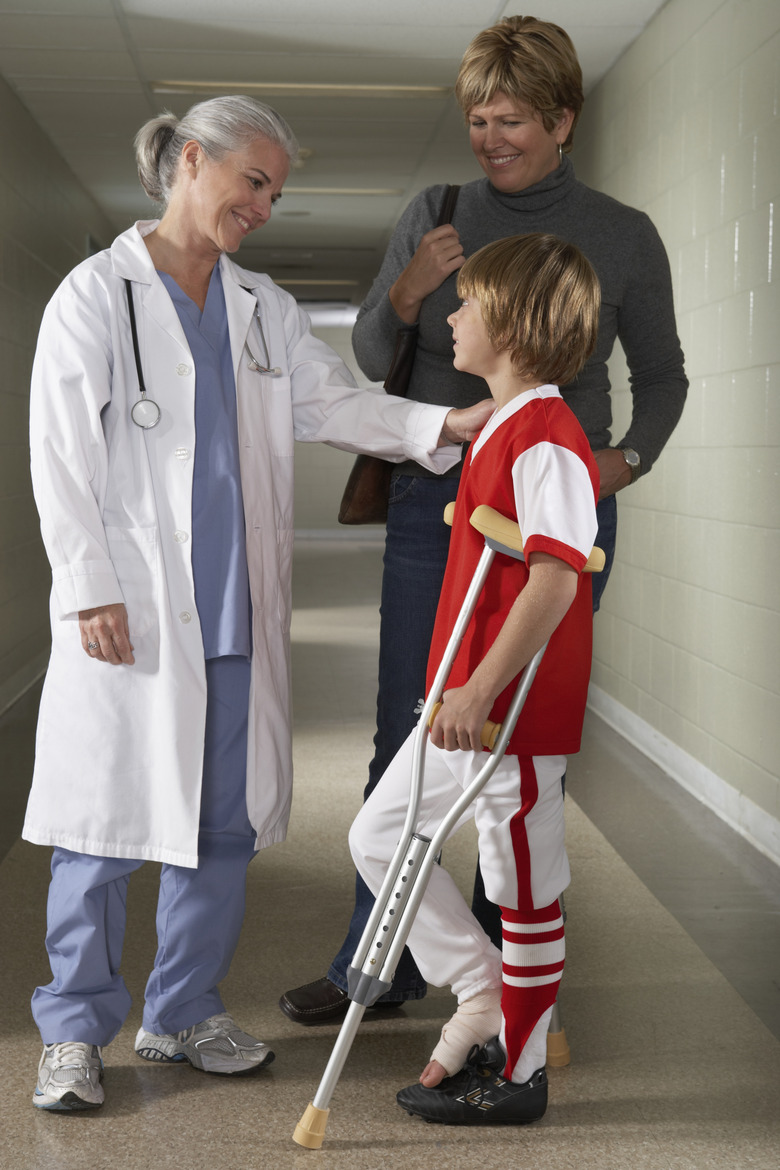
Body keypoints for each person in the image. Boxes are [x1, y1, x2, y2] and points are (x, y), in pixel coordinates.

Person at [24, 94, 491, 1113]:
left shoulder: (262, 308)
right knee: (103, 830)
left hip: (234, 613)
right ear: (194, 161)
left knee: (220, 831)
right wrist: (89, 585)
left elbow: (334, 402)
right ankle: (72, 1031)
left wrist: (447, 423)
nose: (267, 206)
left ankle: (181, 1010)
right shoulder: (94, 297)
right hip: (134, 613)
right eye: (255, 182)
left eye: (276, 190)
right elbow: (58, 457)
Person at [280, 13, 687, 1025]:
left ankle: (516, 984)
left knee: (521, 745)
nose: (490, 139)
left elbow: (666, 378)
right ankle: (376, 962)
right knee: (408, 730)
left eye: (510, 121)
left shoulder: (623, 235)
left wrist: (621, 461)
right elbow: (374, 350)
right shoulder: (437, 207)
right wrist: (413, 290)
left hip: (561, 514)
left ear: (562, 118)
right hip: (439, 506)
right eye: (476, 119)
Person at [350, 230, 601, 1125]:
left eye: (468, 302)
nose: (452, 316)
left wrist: (485, 689)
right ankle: (480, 991)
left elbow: (558, 576)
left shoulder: (548, 438)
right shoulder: (498, 422)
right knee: (378, 838)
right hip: (459, 706)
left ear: (515, 322)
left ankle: (523, 1074)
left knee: (521, 887)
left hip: (507, 716)